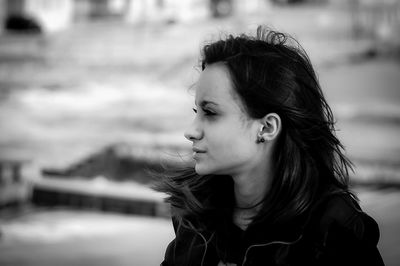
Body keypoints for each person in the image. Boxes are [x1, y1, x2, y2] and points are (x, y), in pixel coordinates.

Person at [155, 26, 385, 266]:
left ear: (266, 128)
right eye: (196, 112)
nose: (191, 131)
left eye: (210, 113)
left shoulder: (333, 229)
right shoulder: (195, 217)